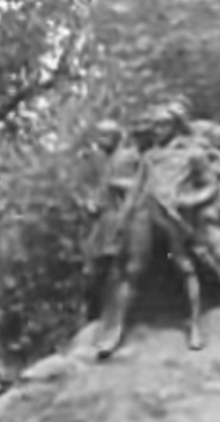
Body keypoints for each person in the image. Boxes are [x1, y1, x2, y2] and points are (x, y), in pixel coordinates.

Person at [79, 117, 128, 322]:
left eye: (105, 136)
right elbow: (95, 190)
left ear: (117, 137)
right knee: (92, 274)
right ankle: (93, 318)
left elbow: (137, 185)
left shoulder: (126, 158)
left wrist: (118, 184)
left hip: (118, 220)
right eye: (98, 136)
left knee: (111, 270)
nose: (100, 141)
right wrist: (90, 203)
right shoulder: (101, 161)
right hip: (101, 222)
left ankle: (110, 316)